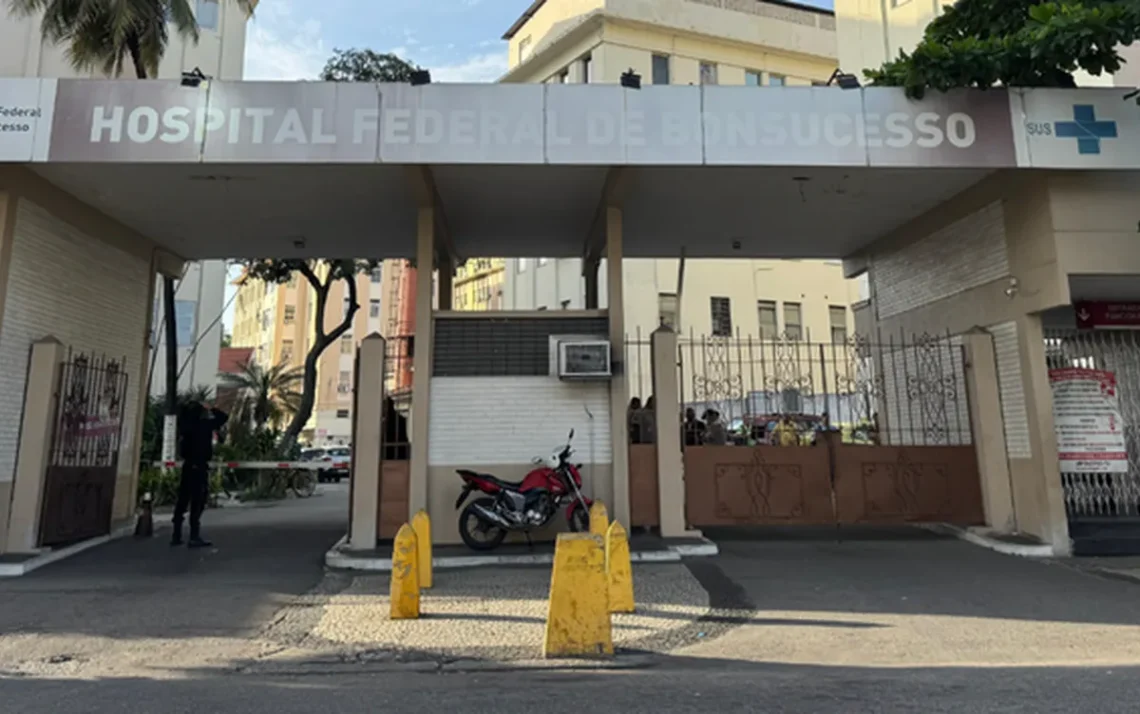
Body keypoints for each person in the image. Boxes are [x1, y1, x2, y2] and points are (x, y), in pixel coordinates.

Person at [172, 400, 228, 548]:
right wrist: (212, 408)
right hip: (200, 466)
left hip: (187, 465)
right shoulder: (204, 425)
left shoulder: (185, 426)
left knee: (183, 500)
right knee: (197, 501)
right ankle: (194, 535)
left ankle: (176, 534)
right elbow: (223, 418)